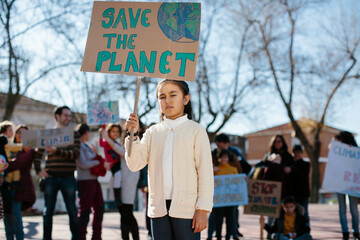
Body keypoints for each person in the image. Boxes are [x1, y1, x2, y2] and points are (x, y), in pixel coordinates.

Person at [125, 79, 214, 240]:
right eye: (162, 97)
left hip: (187, 209)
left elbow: (205, 173)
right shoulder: (152, 132)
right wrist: (133, 135)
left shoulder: (196, 131)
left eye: (173, 95)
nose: (168, 100)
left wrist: (202, 209)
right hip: (158, 208)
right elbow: (135, 164)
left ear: (185, 99)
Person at [34, 106, 80, 240]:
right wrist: (38, 170)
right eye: (66, 115)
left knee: (72, 210)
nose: (68, 118)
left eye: (69, 116)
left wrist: (56, 151)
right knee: (48, 212)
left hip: (68, 177)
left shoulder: (74, 133)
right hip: (51, 177)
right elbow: (38, 153)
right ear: (57, 116)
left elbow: (75, 154)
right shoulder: (48, 134)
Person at [100, 126, 140, 240]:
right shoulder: (120, 144)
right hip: (119, 184)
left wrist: (106, 138)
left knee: (127, 214)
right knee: (123, 215)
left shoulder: (133, 146)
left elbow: (121, 152)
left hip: (128, 183)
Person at [4, 124, 36, 240]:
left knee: (16, 217)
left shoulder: (29, 150)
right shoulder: (10, 148)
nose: (20, 135)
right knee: (7, 216)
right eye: (18, 132)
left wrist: (4, 166)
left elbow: (18, 163)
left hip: (19, 188)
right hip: (6, 186)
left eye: (24, 133)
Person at [76, 123, 104, 240]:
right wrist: (97, 162)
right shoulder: (78, 146)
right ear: (86, 133)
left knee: (100, 208)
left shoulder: (87, 146)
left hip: (94, 180)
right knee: (85, 210)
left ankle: (96, 236)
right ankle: (81, 236)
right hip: (85, 181)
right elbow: (83, 164)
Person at [333, 131, 359, 240]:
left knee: (352, 208)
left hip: (351, 183)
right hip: (340, 183)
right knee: (342, 208)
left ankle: (356, 231)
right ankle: (345, 232)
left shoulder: (356, 153)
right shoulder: (336, 151)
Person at [212, 150, 239, 240]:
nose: (223, 159)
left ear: (228, 158)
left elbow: (238, 183)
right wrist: (212, 170)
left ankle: (228, 237)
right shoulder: (215, 170)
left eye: (225, 157)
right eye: (221, 157)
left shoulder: (233, 169)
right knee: (218, 219)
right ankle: (218, 236)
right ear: (218, 159)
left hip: (230, 199)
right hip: (219, 199)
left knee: (229, 219)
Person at [99, 123, 122, 205]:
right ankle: (117, 196)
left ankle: (117, 195)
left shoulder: (117, 144)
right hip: (112, 164)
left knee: (118, 178)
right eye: (113, 131)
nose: (116, 133)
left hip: (117, 163)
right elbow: (101, 143)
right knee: (118, 176)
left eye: (117, 131)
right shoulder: (106, 143)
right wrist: (102, 134)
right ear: (109, 132)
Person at [0, 121, 26, 191]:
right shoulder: (4, 139)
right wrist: (23, 146)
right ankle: (14, 182)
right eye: (10, 130)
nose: (12, 133)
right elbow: (14, 146)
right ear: (4, 131)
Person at [291, 145, 310, 226]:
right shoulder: (290, 164)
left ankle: (306, 229)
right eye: (295, 153)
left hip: (303, 193)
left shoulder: (306, 164)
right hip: (292, 193)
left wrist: (293, 167)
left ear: (302, 153)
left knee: (304, 212)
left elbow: (303, 175)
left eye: (299, 152)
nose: (297, 154)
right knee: (293, 213)